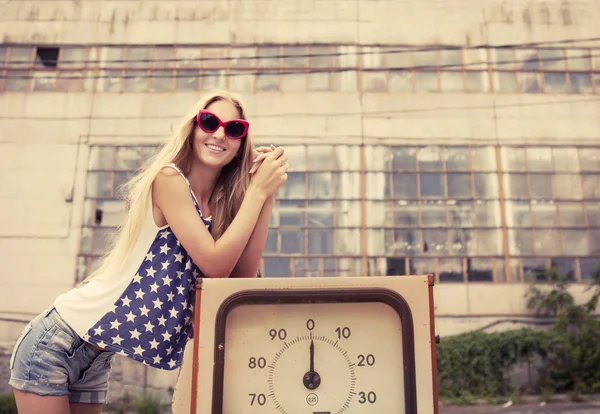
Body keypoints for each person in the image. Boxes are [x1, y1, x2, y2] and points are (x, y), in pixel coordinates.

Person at [8, 90, 288, 414]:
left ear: (241, 142)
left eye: (234, 128)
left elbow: (237, 279)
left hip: (96, 357)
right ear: (193, 128)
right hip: (56, 343)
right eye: (209, 121)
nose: (220, 133)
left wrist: (265, 196)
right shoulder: (169, 180)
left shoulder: (218, 208)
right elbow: (215, 265)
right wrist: (256, 192)